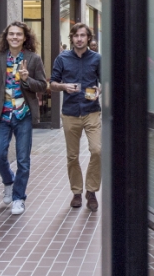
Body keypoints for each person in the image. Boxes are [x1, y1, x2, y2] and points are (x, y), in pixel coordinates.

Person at [0, 21, 48, 215]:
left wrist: (26, 80)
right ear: (6, 37)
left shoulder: (33, 59)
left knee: (23, 159)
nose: (15, 37)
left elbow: (41, 85)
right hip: (3, 115)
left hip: (23, 116)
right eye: (11, 34)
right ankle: (8, 181)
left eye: (19, 34)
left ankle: (18, 198)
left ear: (25, 38)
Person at [50, 23, 102, 211]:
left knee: (97, 150)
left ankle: (92, 191)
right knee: (72, 156)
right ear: (71, 38)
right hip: (70, 112)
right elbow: (52, 83)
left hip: (91, 110)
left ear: (88, 38)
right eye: (76, 35)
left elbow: (104, 81)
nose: (79, 39)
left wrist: (99, 89)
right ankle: (77, 192)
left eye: (83, 35)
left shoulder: (97, 58)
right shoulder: (62, 59)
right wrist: (64, 87)